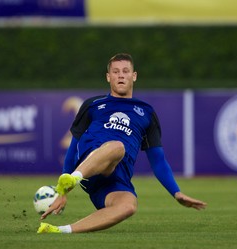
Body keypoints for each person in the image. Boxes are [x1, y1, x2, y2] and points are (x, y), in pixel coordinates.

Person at [37, 53, 207, 234]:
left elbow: (158, 160)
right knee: (117, 146)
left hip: (116, 177)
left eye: (125, 71)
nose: (120, 75)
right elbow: (73, 147)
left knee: (129, 206)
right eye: (115, 71)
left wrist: (176, 193)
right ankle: (74, 179)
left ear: (134, 76)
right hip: (91, 160)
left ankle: (58, 231)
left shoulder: (146, 112)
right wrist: (64, 189)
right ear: (108, 77)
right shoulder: (93, 104)